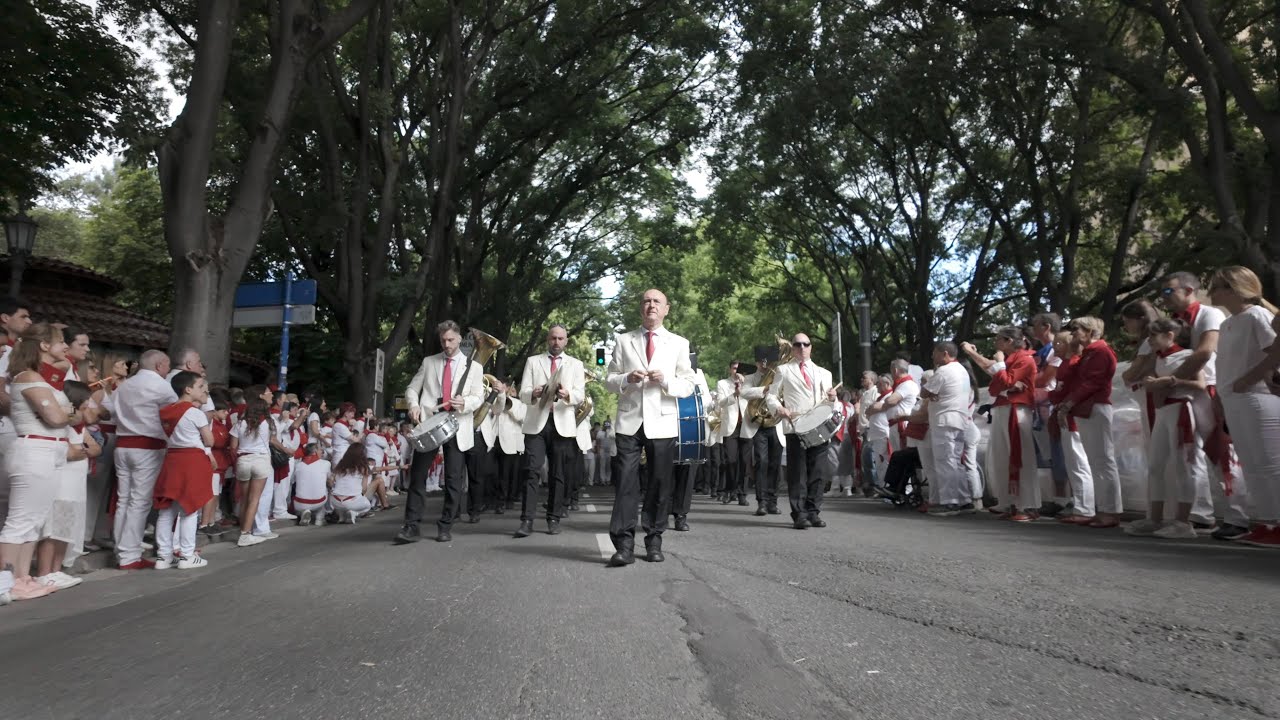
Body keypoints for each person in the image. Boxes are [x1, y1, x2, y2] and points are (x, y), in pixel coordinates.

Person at [604, 289, 696, 565]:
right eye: (646, 301)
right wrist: (626, 378)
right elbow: (608, 379)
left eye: (657, 301)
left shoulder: (679, 343)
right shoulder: (623, 341)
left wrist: (667, 381)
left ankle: (654, 540)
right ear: (640, 308)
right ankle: (623, 545)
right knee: (625, 484)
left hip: (663, 423)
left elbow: (689, 384)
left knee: (660, 483)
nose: (651, 305)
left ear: (666, 309)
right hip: (629, 420)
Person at [0, 324, 75, 600]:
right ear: (44, 345)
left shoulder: (41, 377)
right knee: (19, 520)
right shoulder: (27, 376)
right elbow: (55, 418)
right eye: (60, 341)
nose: (65, 346)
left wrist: (64, 412)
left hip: (50, 451)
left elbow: (59, 412)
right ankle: (6, 579)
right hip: (35, 450)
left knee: (33, 520)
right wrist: (68, 412)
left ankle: (22, 577)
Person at [1208, 266, 1279, 547]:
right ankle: (1267, 521)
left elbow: (1275, 352)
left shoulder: (1258, 316)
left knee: (1270, 462)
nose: (1212, 292)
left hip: (1257, 397)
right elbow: (1225, 364)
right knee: (1251, 464)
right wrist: (1220, 396)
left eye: (1217, 286)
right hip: (1234, 399)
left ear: (1234, 289)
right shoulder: (1228, 324)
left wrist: (1247, 380)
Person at [396, 320, 485, 544]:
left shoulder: (473, 367)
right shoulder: (429, 362)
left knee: (454, 479)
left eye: (451, 340)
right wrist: (413, 405)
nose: (447, 344)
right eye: (443, 340)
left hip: (458, 424)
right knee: (417, 475)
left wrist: (464, 402)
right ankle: (411, 526)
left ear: (459, 339)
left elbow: (478, 397)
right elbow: (412, 388)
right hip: (430, 423)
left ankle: (445, 525)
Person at [1122, 319, 1211, 539]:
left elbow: (1201, 385)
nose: (1150, 340)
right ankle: (1155, 518)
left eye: (1153, 335)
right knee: (1155, 465)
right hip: (1162, 413)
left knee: (1183, 466)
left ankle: (1183, 522)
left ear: (1170, 335)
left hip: (1179, 410)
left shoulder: (1187, 355)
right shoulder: (1159, 357)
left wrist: (1168, 381)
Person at [1159, 271, 1228, 530]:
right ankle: (1200, 511)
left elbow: (1205, 351)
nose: (1164, 297)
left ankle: (1238, 516)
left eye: (1169, 291)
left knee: (1219, 451)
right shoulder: (1174, 321)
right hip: (1186, 391)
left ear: (1189, 291)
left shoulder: (1210, 314)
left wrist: (1171, 379)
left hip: (1208, 387)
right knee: (1191, 453)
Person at [103, 349, 178, 569]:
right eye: (166, 365)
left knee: (124, 499)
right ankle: (129, 554)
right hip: (148, 446)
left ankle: (121, 549)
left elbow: (109, 410)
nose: (167, 370)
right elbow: (173, 417)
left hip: (123, 444)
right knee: (139, 501)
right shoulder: (162, 387)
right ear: (159, 365)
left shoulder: (125, 385)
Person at [512, 325, 584, 537]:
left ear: (566, 341)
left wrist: (567, 394)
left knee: (558, 473)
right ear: (547, 339)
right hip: (536, 422)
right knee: (531, 470)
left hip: (562, 423)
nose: (556, 342)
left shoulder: (576, 364)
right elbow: (523, 393)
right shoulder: (533, 361)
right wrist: (532, 393)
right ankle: (527, 521)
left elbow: (581, 395)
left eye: (560, 338)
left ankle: (554, 518)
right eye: (553, 338)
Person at [963, 327, 1039, 521]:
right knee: (1001, 456)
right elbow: (998, 386)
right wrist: (1004, 377)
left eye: (999, 339)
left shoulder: (1025, 359)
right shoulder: (1009, 361)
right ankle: (1008, 501)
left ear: (1009, 341)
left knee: (1020, 456)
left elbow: (1004, 381)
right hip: (1003, 407)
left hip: (1017, 409)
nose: (996, 343)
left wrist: (1001, 369)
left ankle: (1026, 505)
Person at [766, 332, 840, 529]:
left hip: (820, 427)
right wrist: (779, 408)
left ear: (811, 347)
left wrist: (833, 397)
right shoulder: (783, 370)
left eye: (805, 344)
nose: (802, 348)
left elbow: (831, 402)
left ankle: (813, 512)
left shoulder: (824, 373)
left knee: (818, 471)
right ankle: (799, 514)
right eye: (798, 345)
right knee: (797, 472)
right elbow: (771, 396)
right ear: (793, 348)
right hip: (795, 426)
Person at [1059, 317, 1122, 528]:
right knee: (1097, 461)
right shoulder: (1089, 353)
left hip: (1096, 406)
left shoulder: (1101, 352)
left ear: (1089, 330)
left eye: (1076, 329)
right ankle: (1103, 508)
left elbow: (1093, 382)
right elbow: (1069, 375)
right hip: (1087, 408)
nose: (1073, 333)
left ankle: (1110, 511)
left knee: (1103, 460)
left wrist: (1069, 403)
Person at [151, 371, 214, 570]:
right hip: (192, 460)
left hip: (172, 459)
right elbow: (210, 440)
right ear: (188, 389)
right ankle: (187, 555)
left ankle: (163, 557)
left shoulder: (165, 411)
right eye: (201, 386)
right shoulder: (195, 412)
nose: (205, 389)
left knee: (166, 510)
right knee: (190, 508)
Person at [920, 342, 974, 515]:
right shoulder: (962, 370)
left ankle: (950, 501)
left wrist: (933, 393)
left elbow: (924, 392)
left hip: (944, 420)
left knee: (945, 461)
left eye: (934, 353)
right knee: (956, 461)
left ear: (944, 354)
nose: (932, 357)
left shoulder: (943, 371)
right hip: (959, 419)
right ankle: (964, 499)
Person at [1048, 331, 1095, 524]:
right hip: (1064, 413)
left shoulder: (1075, 362)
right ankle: (1080, 504)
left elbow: (1069, 389)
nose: (1055, 345)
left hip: (1072, 415)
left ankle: (1085, 507)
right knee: (1072, 462)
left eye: (1059, 342)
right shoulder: (1066, 364)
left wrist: (1060, 400)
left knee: (1078, 461)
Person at [231, 392, 284, 547]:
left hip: (243, 460)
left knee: (244, 499)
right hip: (260, 460)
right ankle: (245, 534)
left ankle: (243, 529)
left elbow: (233, 447)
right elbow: (272, 440)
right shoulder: (268, 423)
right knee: (255, 500)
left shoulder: (239, 424)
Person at [331, 444, 376, 524]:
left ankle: (341, 517)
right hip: (351, 501)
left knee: (342, 503)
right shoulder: (363, 467)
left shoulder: (340, 465)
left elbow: (331, 481)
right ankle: (354, 513)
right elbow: (364, 489)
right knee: (367, 505)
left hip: (334, 501)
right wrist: (361, 495)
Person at [291, 442, 331, 526]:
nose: (322, 452)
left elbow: (292, 481)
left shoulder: (298, 465)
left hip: (299, 503)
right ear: (315, 451)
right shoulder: (326, 463)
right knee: (326, 487)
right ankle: (320, 519)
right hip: (319, 501)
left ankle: (305, 511)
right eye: (320, 450)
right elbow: (330, 483)